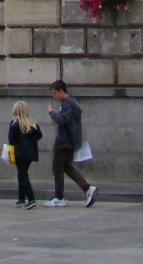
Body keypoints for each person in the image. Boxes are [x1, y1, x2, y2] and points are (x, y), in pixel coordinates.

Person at [44, 78, 96, 207]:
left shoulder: (67, 104)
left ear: (61, 91)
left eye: (55, 93)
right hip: (69, 141)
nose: (54, 97)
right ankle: (87, 188)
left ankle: (59, 197)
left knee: (57, 168)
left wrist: (51, 113)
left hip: (64, 142)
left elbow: (62, 120)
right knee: (66, 167)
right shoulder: (71, 103)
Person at [5, 99, 43, 209]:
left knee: (23, 175)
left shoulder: (14, 124)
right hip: (31, 154)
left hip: (20, 153)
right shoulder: (33, 123)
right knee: (21, 174)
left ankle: (31, 199)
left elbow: (11, 140)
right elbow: (39, 136)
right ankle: (21, 198)